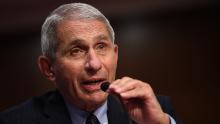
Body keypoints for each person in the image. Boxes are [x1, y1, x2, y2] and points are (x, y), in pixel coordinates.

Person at [0, 3, 181, 124]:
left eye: (101, 47)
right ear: (48, 68)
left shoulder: (157, 110)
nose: (94, 64)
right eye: (77, 50)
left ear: (115, 55)